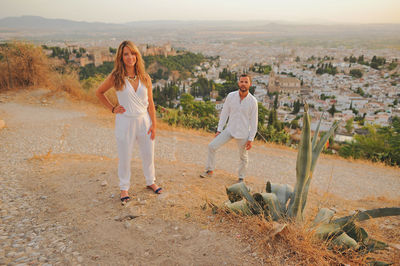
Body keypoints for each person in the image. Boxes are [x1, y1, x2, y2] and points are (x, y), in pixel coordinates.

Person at [96, 40, 162, 205]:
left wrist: (154, 124)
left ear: (137, 56)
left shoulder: (145, 78)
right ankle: (124, 187)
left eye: (133, 53)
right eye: (126, 54)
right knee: (125, 156)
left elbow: (151, 103)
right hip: (125, 121)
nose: (130, 57)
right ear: (121, 57)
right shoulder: (116, 77)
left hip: (144, 120)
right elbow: (99, 92)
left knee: (149, 154)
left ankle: (150, 181)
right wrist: (112, 109)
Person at [200, 74, 258, 182]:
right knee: (212, 146)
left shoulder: (253, 101)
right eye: (241, 81)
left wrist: (251, 139)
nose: (243, 84)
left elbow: (254, 121)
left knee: (243, 157)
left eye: (246, 82)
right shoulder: (231, 96)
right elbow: (224, 113)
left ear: (250, 84)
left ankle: (241, 178)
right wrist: (219, 130)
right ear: (238, 83)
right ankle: (209, 170)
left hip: (243, 133)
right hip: (230, 129)